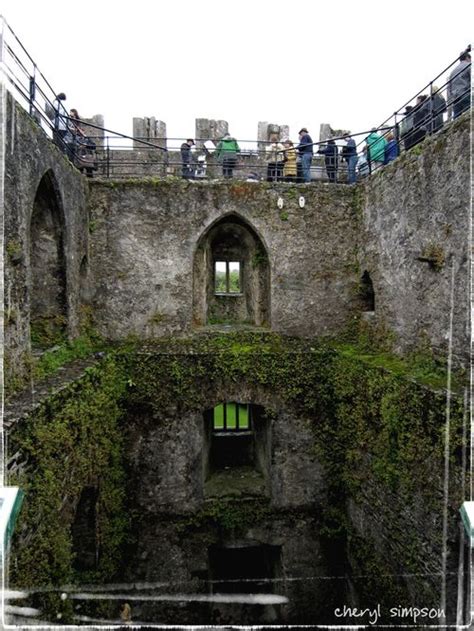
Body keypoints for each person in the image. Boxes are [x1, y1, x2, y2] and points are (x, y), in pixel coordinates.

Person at [447, 49, 471, 119]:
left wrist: (451, 96)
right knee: (469, 114)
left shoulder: (452, 72)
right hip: (465, 93)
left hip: (455, 97)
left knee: (457, 118)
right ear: (467, 58)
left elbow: (449, 87)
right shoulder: (469, 65)